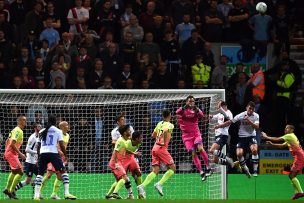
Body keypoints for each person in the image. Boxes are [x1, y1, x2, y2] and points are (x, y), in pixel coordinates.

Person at [33, 115, 76, 200]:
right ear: (55, 122)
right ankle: (66, 193)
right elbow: (61, 145)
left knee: (40, 174)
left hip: (43, 153)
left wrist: (38, 157)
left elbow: (38, 145)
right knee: (63, 172)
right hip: (53, 153)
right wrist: (66, 155)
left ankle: (36, 195)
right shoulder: (57, 131)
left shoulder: (42, 131)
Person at [215, 101, 259, 177]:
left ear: (254, 110)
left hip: (251, 136)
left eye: (252, 109)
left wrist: (248, 120)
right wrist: (219, 126)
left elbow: (256, 127)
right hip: (242, 137)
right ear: (246, 108)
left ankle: (255, 171)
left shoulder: (256, 116)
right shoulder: (241, 115)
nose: (251, 110)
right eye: (249, 109)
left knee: (254, 150)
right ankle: (245, 168)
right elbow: (230, 122)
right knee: (239, 154)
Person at [137, 109, 175, 198]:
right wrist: (164, 141)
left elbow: (153, 135)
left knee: (155, 171)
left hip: (154, 148)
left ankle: (142, 186)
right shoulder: (170, 125)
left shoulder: (159, 123)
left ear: (162, 116)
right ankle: (159, 184)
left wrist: (160, 138)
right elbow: (165, 131)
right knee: (173, 168)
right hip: (162, 148)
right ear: (169, 116)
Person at [261, 125, 304, 200]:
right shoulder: (289, 138)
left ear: (292, 130)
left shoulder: (289, 135)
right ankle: (298, 192)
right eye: (285, 128)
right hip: (299, 157)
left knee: (291, 176)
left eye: (287, 128)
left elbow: (277, 139)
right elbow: (281, 146)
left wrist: (266, 137)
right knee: (292, 176)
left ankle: (300, 192)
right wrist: (272, 144)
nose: (285, 129)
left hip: (299, 157)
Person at [176, 95, 211, 181]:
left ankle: (208, 167)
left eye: (193, 101)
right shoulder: (182, 110)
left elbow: (202, 115)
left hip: (196, 134)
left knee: (201, 149)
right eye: (190, 101)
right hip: (186, 136)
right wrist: (185, 107)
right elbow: (177, 112)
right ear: (186, 102)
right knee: (193, 153)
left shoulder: (195, 110)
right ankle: (201, 172)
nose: (191, 102)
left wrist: (196, 109)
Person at [106, 131, 143, 199]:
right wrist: (134, 153)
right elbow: (123, 150)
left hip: (131, 158)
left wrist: (133, 154)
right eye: (141, 137)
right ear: (136, 139)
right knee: (122, 179)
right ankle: (110, 194)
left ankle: (140, 194)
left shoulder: (138, 143)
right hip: (123, 160)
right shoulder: (126, 142)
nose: (142, 139)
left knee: (138, 173)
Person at [39, 121, 71, 199]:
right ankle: (38, 192)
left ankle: (54, 194)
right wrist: (60, 153)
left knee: (60, 176)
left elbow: (64, 146)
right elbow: (55, 145)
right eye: (66, 125)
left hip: (60, 158)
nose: (68, 126)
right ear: (62, 127)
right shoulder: (57, 133)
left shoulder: (67, 135)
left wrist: (64, 156)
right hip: (54, 155)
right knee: (49, 174)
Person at [14, 123, 42, 198]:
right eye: (39, 126)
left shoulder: (40, 137)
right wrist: (37, 153)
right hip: (30, 162)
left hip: (35, 161)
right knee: (27, 181)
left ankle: (36, 193)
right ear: (35, 128)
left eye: (41, 126)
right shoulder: (32, 137)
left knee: (40, 177)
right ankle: (13, 190)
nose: (41, 127)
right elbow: (27, 150)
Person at [3, 115, 27, 199]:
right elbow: (12, 143)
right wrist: (20, 154)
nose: (25, 122)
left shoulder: (15, 130)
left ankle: (7, 189)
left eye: (25, 120)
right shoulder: (18, 131)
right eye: (23, 120)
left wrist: (5, 151)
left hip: (10, 153)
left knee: (14, 172)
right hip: (12, 154)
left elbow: (7, 140)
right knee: (20, 172)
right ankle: (11, 191)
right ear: (19, 121)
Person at [107, 125, 133, 199]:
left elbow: (125, 149)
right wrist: (116, 164)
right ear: (125, 133)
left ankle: (108, 195)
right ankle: (115, 193)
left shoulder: (125, 140)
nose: (130, 131)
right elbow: (115, 151)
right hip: (115, 163)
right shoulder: (120, 141)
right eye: (128, 130)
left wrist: (134, 153)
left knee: (121, 180)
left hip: (118, 162)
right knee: (124, 178)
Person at [209, 101, 235, 167]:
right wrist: (209, 116)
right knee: (215, 160)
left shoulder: (229, 113)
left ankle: (228, 159)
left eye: (219, 107)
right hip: (217, 135)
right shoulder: (220, 114)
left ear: (224, 106)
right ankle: (232, 163)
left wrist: (218, 126)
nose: (218, 109)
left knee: (212, 150)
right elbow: (213, 116)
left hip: (223, 135)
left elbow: (228, 122)